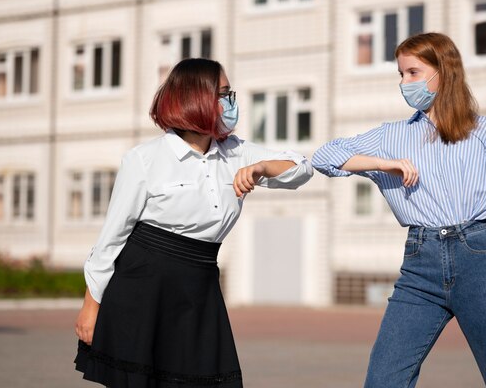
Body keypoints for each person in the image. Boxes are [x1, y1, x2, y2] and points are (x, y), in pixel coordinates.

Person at [74, 58, 313, 388]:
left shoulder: (237, 152)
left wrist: (262, 169)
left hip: (201, 285)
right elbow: (111, 239)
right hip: (143, 287)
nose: (231, 102)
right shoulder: (144, 160)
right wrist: (91, 306)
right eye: (223, 94)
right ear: (195, 98)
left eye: (230, 93)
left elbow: (302, 168)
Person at [312, 32, 486, 387]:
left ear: (442, 72)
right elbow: (323, 157)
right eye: (400, 75)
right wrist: (384, 164)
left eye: (413, 73)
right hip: (421, 263)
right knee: (384, 380)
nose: (404, 83)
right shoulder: (392, 136)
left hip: (481, 259)